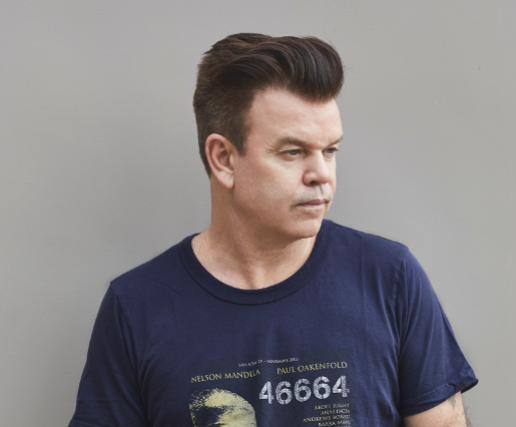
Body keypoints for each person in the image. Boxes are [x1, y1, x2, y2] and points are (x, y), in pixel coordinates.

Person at [69, 33, 478, 427]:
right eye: (293, 152)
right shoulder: (137, 306)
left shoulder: (389, 278)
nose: (321, 174)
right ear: (224, 159)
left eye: (330, 150)